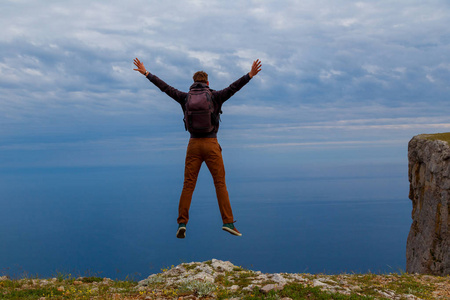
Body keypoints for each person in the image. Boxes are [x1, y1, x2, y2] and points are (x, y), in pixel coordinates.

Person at [133, 57, 262, 238]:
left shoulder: (185, 98)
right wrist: (250, 75)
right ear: (207, 82)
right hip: (211, 144)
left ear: (193, 83)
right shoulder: (215, 96)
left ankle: (182, 222)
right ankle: (228, 222)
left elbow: (165, 87)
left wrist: (146, 73)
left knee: (188, 185)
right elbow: (234, 88)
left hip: (193, 145)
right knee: (219, 183)